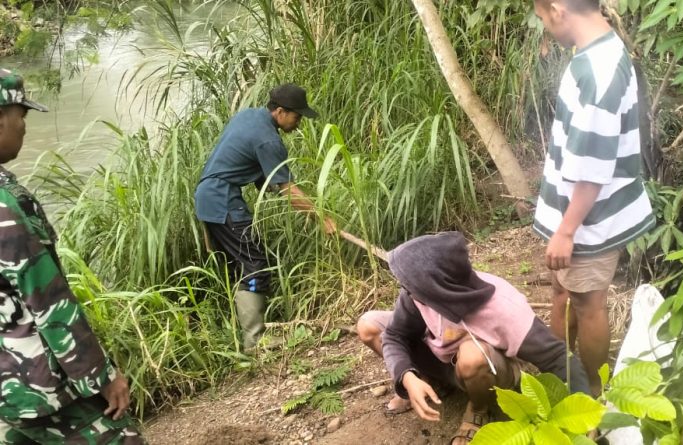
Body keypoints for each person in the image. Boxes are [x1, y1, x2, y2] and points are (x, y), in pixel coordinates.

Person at [0, 68, 142, 443]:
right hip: (36, 381)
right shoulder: (6, 205)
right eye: (22, 115)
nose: (25, 126)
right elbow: (47, 298)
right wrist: (101, 376)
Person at [356, 232, 590, 444]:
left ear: (436, 288)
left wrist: (587, 416)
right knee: (368, 325)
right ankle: (425, 383)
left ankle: (479, 408)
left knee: (471, 357)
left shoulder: (502, 310)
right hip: (442, 356)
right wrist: (406, 376)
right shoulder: (417, 295)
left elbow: (558, 357)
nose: (404, 290)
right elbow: (396, 335)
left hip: (486, 368)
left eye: (409, 286)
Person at [531, 0, 655, 396]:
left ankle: (589, 397)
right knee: (564, 293)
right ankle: (558, 380)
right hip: (575, 217)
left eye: (542, 17)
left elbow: (593, 168)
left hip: (587, 220)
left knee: (588, 304)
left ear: (558, 9)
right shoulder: (596, 52)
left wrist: (566, 231)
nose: (545, 26)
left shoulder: (599, 72)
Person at [194, 83, 336, 350]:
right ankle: (255, 341)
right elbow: (289, 191)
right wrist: (322, 218)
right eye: (297, 116)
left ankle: (246, 337)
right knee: (255, 263)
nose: (299, 122)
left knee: (240, 266)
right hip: (223, 201)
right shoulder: (269, 140)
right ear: (280, 112)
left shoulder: (248, 116)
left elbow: (252, 167)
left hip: (207, 197)